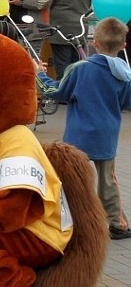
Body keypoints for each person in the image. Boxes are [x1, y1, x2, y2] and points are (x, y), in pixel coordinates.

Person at [34, 17, 131, 240]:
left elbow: (54, 92)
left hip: (77, 136)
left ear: (94, 43)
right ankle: (117, 224)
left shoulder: (79, 69)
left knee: (71, 178)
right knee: (108, 180)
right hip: (107, 135)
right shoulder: (125, 74)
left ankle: (66, 220)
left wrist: (38, 73)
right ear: (123, 45)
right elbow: (127, 102)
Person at [47, 0, 93, 79]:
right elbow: (89, 7)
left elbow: (47, 4)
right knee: (77, 65)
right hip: (81, 31)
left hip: (61, 32)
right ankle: (76, 92)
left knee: (63, 66)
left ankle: (64, 94)